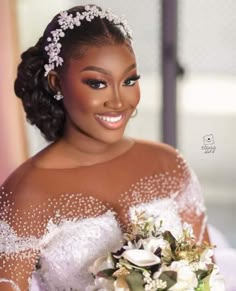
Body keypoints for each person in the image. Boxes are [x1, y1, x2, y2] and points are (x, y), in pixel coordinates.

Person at [0, 4, 210, 291]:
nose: (118, 101)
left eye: (129, 80)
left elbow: (206, 274)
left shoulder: (168, 164)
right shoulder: (27, 192)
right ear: (56, 82)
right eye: (98, 83)